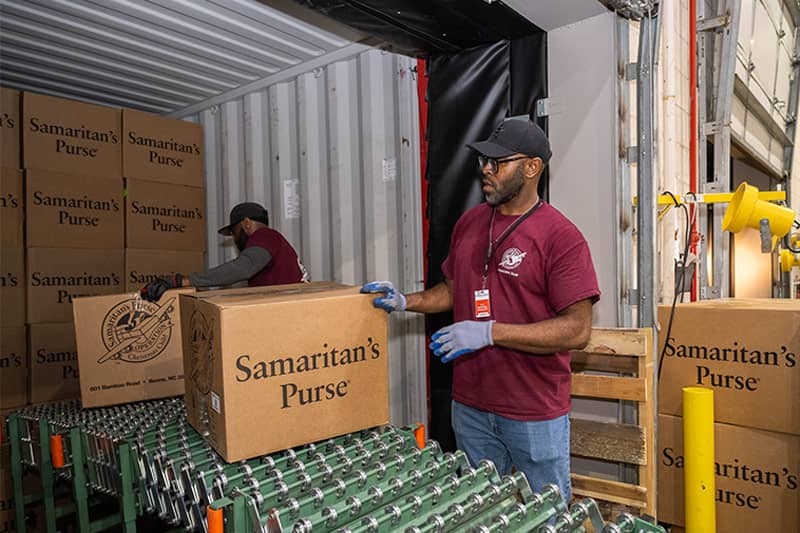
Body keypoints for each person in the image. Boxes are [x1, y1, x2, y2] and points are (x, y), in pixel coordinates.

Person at [361, 118, 600, 501]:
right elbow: (452, 291)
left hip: (532, 411)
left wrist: (490, 332)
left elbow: (577, 330)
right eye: (483, 162)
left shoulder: (561, 237)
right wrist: (407, 301)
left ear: (532, 167)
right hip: (471, 407)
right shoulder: (469, 224)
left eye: (498, 162)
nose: (485, 171)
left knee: (547, 514)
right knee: (483, 511)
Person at [141, 202, 308, 301]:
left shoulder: (264, 236)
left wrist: (182, 281)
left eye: (234, 231)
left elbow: (242, 268)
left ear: (247, 223)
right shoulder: (274, 242)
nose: (235, 238)